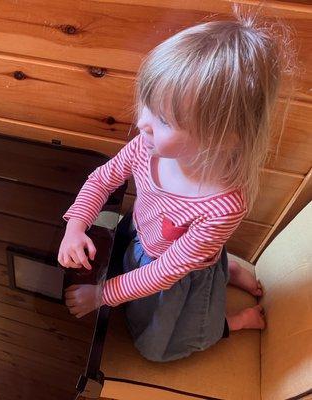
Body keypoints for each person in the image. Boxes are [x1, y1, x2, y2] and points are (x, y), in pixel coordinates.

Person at [57, 11, 293, 362]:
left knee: (158, 348)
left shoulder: (224, 205)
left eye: (162, 119)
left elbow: (166, 272)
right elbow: (102, 179)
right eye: (147, 106)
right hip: (140, 240)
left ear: (223, 137)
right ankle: (226, 269)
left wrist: (101, 295)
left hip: (177, 276)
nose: (141, 123)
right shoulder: (146, 146)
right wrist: (75, 227)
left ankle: (234, 322)